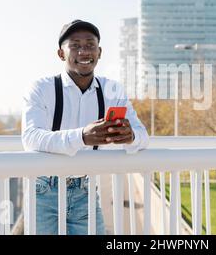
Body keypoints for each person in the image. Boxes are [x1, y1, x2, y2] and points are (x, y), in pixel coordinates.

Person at [21, 19, 149, 235]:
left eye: (90, 45)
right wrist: (82, 137)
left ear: (99, 52)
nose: (83, 51)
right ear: (61, 54)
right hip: (43, 191)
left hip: (86, 190)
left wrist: (130, 136)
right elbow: (31, 138)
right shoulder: (41, 88)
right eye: (75, 45)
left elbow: (143, 136)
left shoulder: (112, 90)